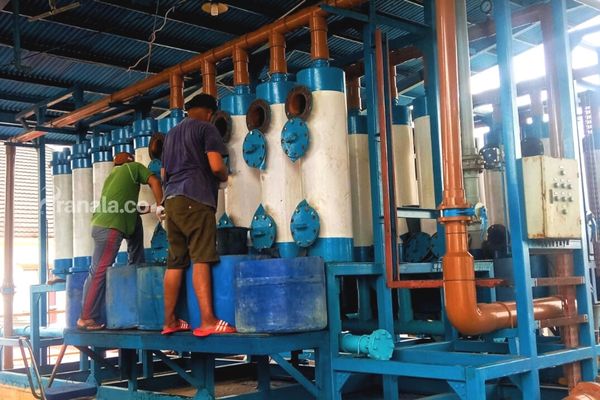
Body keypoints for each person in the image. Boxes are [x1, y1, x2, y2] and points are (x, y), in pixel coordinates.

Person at [161, 93, 234, 337]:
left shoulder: (171, 135)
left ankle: (169, 321)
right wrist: (225, 175)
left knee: (175, 261)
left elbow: (163, 174)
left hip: (171, 200)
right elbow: (216, 165)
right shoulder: (206, 128)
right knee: (201, 258)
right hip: (196, 197)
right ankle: (208, 320)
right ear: (209, 113)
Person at [77, 151, 164, 330]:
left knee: (135, 223)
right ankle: (85, 318)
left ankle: (136, 268)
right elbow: (155, 181)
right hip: (110, 227)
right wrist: (162, 205)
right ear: (131, 161)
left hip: (102, 224)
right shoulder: (133, 167)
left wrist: (152, 207)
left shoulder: (112, 176)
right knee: (99, 271)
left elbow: (127, 207)